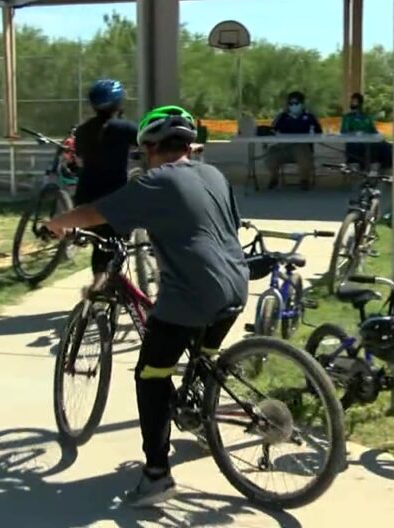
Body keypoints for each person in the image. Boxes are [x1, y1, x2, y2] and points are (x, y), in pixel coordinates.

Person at [44, 105, 249, 507]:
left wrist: (58, 223)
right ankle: (202, 416)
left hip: (192, 294)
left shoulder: (155, 180)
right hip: (236, 286)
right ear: (190, 145)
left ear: (150, 148)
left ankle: (156, 475)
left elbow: (97, 213)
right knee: (201, 359)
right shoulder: (215, 175)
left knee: (151, 376)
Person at [71, 78, 138, 293]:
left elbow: (81, 156)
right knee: (117, 238)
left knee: (100, 243)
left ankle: (100, 281)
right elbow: (150, 142)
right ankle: (104, 286)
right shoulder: (123, 128)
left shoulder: (82, 131)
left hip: (84, 196)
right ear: (119, 103)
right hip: (113, 197)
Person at [265, 90, 323, 190]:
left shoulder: (309, 117)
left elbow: (319, 132)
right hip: (285, 147)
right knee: (272, 152)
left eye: (296, 103)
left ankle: (304, 180)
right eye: (291, 104)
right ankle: (274, 178)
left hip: (302, 147)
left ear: (302, 104)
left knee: (302, 151)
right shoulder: (282, 117)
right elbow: (272, 130)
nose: (294, 106)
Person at [340, 92, 391, 171]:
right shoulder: (348, 117)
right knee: (364, 148)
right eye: (352, 101)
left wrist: (379, 138)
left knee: (385, 146)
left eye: (354, 101)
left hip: (368, 142)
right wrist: (355, 133)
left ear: (360, 103)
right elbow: (344, 131)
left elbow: (373, 130)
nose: (352, 103)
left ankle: (378, 169)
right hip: (355, 143)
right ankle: (366, 168)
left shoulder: (366, 117)